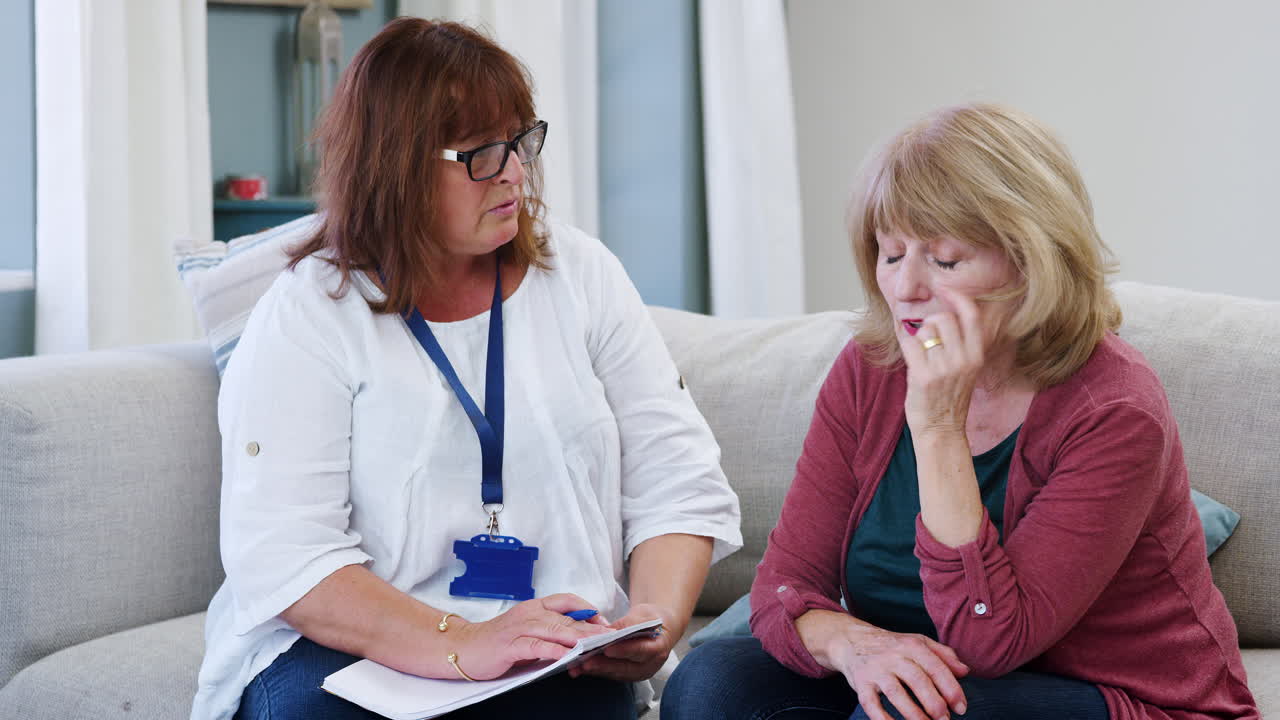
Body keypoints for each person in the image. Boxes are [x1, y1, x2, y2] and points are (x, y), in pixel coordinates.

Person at [190, 18, 741, 720]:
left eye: (519, 141)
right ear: (395, 166)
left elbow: (678, 478)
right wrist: (463, 643)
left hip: (551, 650)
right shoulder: (310, 313)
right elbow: (286, 557)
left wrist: (654, 620)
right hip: (341, 648)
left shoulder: (581, 275)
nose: (513, 170)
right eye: (481, 152)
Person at [662, 104, 1258, 720]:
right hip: (942, 687)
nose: (906, 288)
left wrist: (939, 427)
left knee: (905, 713)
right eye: (891, 255)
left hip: (1123, 701)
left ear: (1033, 262)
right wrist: (857, 644)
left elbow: (993, 641)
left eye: (945, 260)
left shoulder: (1115, 407)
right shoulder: (870, 370)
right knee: (712, 682)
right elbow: (783, 588)